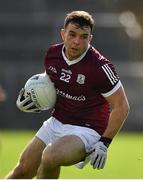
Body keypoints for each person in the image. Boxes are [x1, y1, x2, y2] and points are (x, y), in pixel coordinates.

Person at [5, 11, 130, 179]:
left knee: (49, 157)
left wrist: (104, 142)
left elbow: (121, 106)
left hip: (86, 130)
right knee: (22, 171)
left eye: (83, 37)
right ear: (63, 34)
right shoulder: (52, 54)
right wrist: (33, 95)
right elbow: (50, 82)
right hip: (56, 122)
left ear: (90, 39)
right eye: (72, 34)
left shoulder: (100, 67)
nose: (77, 42)